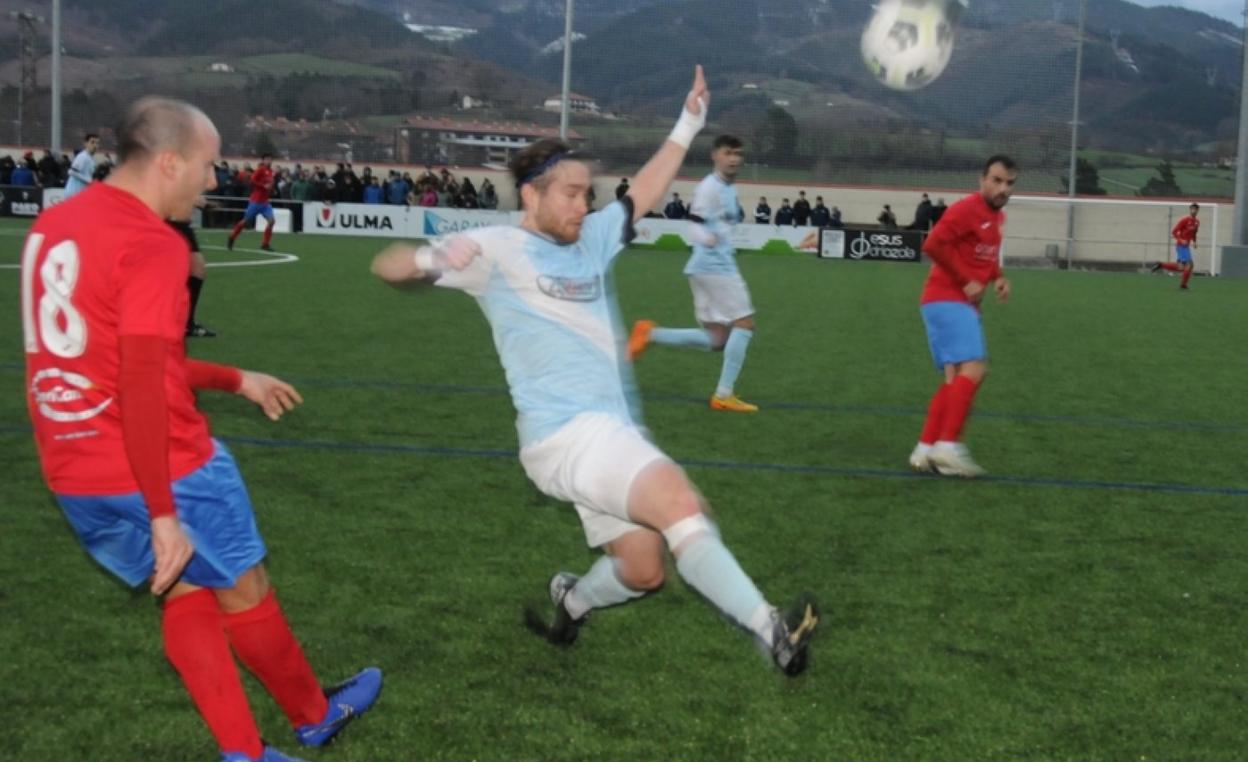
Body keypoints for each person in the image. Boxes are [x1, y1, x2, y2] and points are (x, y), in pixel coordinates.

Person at [370, 67, 818, 676]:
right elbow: (388, 266)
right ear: (531, 196)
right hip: (564, 435)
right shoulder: (495, 249)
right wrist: (430, 257)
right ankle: (772, 630)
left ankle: (572, 601)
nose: (585, 205)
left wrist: (689, 122)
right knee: (680, 501)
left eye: (588, 194)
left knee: (645, 569)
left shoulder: (593, 238)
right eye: (572, 194)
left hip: (610, 433)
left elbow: (647, 189)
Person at [19, 97, 381, 762]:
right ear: (168, 161)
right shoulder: (153, 243)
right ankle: (314, 715)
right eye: (209, 164)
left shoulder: (55, 224)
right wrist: (162, 510)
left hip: (72, 466)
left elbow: (112, 361)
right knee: (243, 587)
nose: (214, 181)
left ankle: (245, 752)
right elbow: (143, 384)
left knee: (186, 587)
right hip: (166, 463)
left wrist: (233, 378)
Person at [629, 133, 759, 412]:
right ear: (715, 155)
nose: (734, 159)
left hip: (705, 267)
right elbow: (694, 222)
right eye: (728, 153)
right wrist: (706, 238)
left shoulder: (728, 188)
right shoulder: (709, 187)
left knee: (718, 339)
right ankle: (723, 395)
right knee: (745, 323)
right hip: (715, 266)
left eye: (738, 154)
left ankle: (650, 333)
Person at [909, 155, 1017, 478]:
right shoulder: (965, 209)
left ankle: (925, 449)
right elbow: (933, 244)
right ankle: (948, 446)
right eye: (997, 180)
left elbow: (986, 254)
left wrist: (998, 277)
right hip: (946, 298)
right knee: (975, 368)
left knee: (955, 378)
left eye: (1009, 183)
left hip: (956, 303)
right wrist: (965, 280)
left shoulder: (997, 217)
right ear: (982, 180)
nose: (1003, 188)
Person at [169, 199, 216, 338]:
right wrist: (203, 204)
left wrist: (202, 203)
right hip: (170, 222)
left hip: (180, 224)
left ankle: (186, 324)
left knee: (197, 271)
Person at [227, 153, 277, 252]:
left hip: (265, 203)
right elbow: (252, 180)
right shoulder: (260, 170)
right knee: (244, 222)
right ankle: (232, 237)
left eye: (270, 159)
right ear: (263, 161)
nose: (269, 161)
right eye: (267, 159)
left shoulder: (271, 172)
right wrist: (263, 185)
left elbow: (269, 185)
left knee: (271, 221)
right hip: (256, 202)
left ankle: (265, 244)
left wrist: (272, 190)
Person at [1150, 203, 1200, 290]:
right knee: (1189, 265)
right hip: (1180, 246)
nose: (1193, 210)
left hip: (1186, 247)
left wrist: (1194, 242)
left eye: (1195, 209)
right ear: (1190, 210)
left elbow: (1194, 233)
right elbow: (1174, 232)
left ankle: (1161, 265)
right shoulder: (1185, 220)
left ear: (1197, 211)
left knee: (1182, 267)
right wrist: (1181, 240)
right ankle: (1183, 285)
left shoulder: (1197, 222)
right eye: (1192, 209)